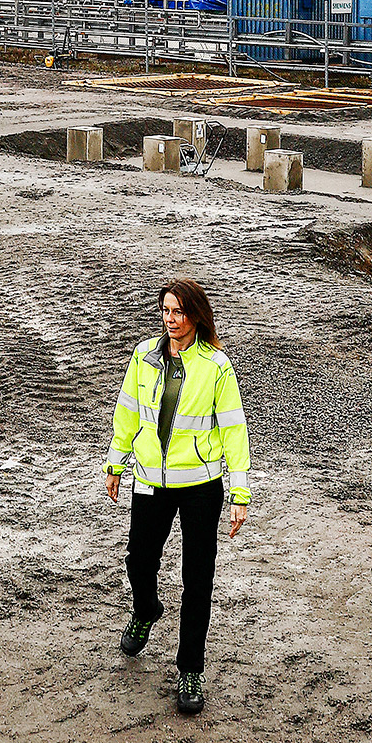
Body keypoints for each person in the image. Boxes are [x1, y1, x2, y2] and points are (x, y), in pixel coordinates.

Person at [103, 277, 250, 716]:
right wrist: (115, 462)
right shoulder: (143, 357)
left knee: (197, 581)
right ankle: (146, 609)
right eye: (166, 311)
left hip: (202, 488)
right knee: (139, 560)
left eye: (179, 312)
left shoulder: (217, 365)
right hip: (149, 480)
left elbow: (233, 429)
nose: (171, 320)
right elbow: (128, 410)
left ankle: (190, 670)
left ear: (196, 316)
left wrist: (239, 490)